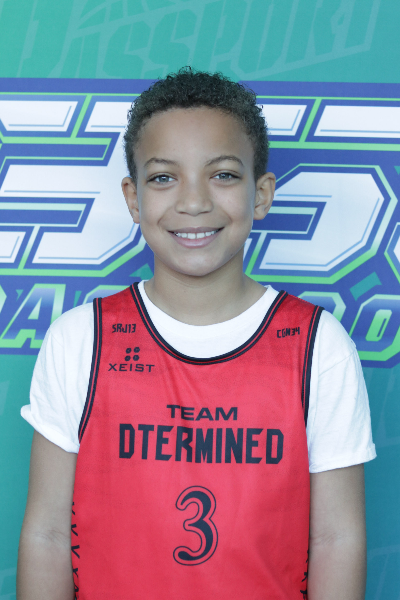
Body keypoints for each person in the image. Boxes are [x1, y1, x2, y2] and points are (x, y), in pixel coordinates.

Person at [17, 68, 376, 600]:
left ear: (261, 194)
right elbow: (47, 535)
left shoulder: (319, 346)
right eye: (164, 178)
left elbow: (336, 538)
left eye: (223, 175)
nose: (193, 202)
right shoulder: (80, 340)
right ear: (133, 198)